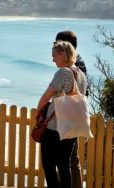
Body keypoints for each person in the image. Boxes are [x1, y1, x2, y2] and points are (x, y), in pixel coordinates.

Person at [36, 41, 88, 188]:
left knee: (48, 164)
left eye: (54, 56)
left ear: (62, 54)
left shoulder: (63, 72)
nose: (52, 59)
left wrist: (38, 113)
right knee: (64, 165)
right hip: (72, 128)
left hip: (54, 127)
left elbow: (46, 97)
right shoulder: (82, 74)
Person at [55, 31, 87, 188]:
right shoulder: (77, 63)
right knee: (72, 160)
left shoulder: (74, 66)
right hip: (74, 118)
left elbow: (73, 94)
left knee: (68, 160)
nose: (55, 48)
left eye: (57, 44)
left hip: (69, 119)